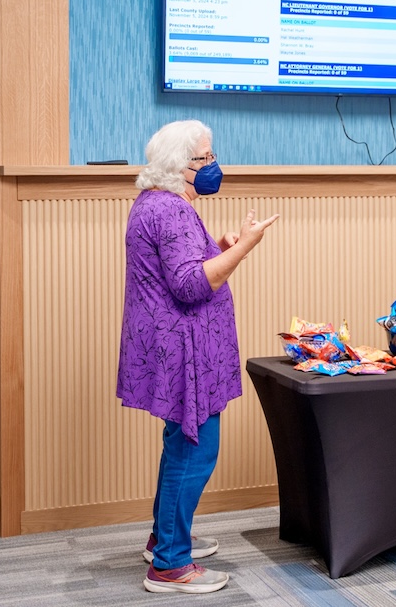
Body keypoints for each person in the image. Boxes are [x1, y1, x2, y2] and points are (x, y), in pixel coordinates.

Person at [116, 120, 279, 595]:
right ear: (177, 166)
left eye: (210, 156)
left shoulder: (162, 204)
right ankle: (169, 565)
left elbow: (184, 266)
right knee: (196, 449)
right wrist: (245, 247)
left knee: (179, 445)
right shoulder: (170, 211)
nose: (212, 166)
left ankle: (163, 539)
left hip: (175, 347)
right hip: (181, 352)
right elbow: (190, 285)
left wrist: (221, 248)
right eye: (203, 159)